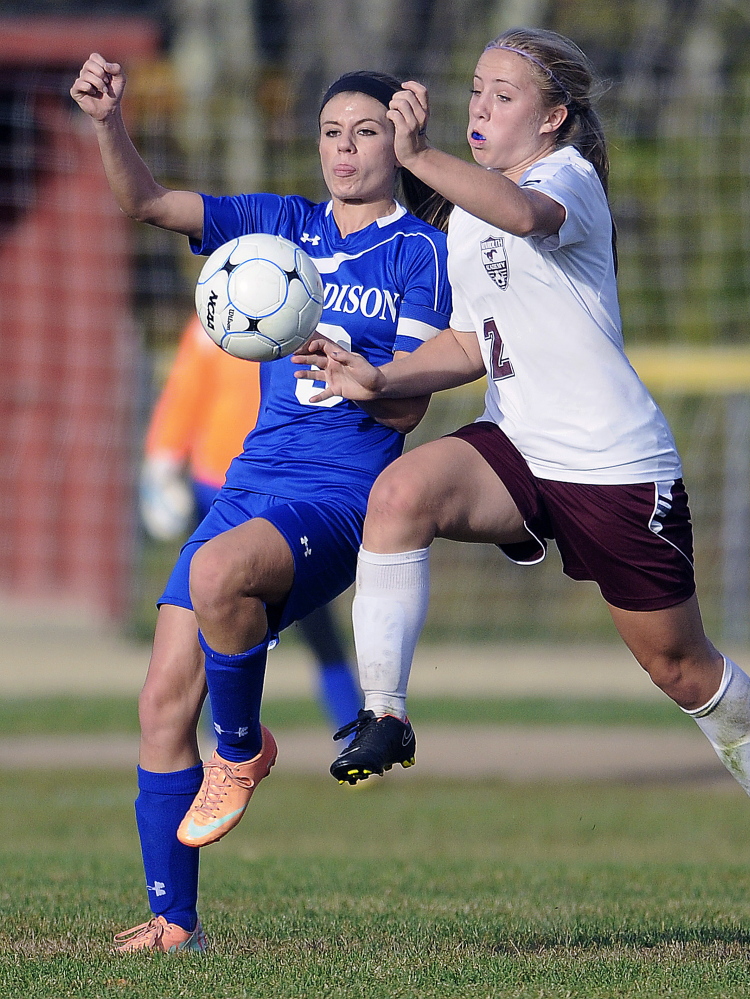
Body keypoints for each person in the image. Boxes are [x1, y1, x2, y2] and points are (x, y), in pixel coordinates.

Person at [294, 27, 750, 923]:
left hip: (614, 468)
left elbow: (524, 217)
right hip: (518, 448)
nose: (480, 106)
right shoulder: (465, 212)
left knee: (680, 667)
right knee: (398, 496)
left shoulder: (567, 181)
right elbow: (471, 343)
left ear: (552, 120)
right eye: (476, 88)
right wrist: (383, 378)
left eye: (504, 95)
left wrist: (420, 154)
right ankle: (382, 713)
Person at [71, 56, 452, 952]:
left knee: (215, 572)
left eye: (365, 131)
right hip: (251, 484)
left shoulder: (419, 252)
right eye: (330, 132)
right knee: (162, 700)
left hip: (344, 498)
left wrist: (348, 366)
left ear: (398, 141)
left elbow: (406, 405)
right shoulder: (281, 226)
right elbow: (150, 204)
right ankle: (175, 922)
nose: (345, 148)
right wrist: (107, 122)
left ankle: (239, 746)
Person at [140, 312, 362, 733]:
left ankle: (352, 729)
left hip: (292, 483)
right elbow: (184, 394)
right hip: (221, 487)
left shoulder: (312, 310)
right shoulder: (214, 317)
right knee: (213, 617)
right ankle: (220, 744)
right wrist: (163, 462)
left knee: (312, 617)